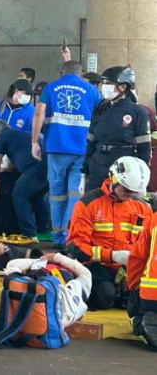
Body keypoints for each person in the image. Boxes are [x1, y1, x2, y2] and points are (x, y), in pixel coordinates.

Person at [67, 156, 152, 310]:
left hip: (130, 267)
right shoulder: (88, 203)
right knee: (105, 296)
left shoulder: (143, 208)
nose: (130, 194)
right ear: (113, 179)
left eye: (134, 191)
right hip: (96, 266)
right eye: (126, 189)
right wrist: (112, 255)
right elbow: (77, 248)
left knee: (144, 297)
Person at [31, 61, 99, 245]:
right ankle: (71, 235)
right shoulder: (91, 90)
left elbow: (39, 113)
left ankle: (57, 235)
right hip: (82, 149)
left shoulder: (51, 88)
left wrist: (34, 141)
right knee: (75, 194)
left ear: (62, 72)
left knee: (56, 194)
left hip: (56, 147)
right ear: (80, 72)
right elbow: (100, 116)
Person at [83, 66, 151, 191]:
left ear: (123, 87)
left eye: (108, 83)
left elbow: (144, 148)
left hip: (123, 168)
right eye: (102, 83)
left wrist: (141, 178)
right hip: (97, 166)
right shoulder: (100, 109)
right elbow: (90, 143)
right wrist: (84, 171)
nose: (103, 87)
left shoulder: (138, 112)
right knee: (92, 204)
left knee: (119, 207)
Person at [0, 121, 49, 240]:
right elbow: (19, 162)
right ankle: (44, 229)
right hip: (48, 165)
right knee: (37, 195)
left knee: (19, 195)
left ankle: (29, 234)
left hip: (34, 168)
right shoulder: (19, 136)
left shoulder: (3, 136)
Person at [4, 252, 93, 328]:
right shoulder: (37, 266)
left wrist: (56, 258)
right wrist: (46, 259)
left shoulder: (72, 274)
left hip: (54, 292)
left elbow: (85, 272)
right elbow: (12, 264)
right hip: (37, 288)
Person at [127, 193, 157, 349]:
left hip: (150, 293)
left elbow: (137, 258)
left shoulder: (154, 218)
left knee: (142, 313)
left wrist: (133, 290)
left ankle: (140, 323)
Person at [0, 79, 35, 153]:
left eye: (30, 95)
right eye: (26, 94)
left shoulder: (31, 111)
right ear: (16, 91)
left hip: (16, 153)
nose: (28, 97)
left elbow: (30, 135)